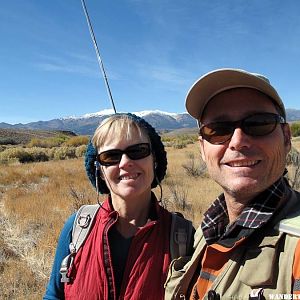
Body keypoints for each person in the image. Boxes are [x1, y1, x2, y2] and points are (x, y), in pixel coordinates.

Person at [165, 69, 300, 299]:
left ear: (286, 138)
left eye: (258, 124)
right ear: (202, 148)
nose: (238, 141)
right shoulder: (204, 233)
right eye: (218, 130)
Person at [44, 113, 193, 300]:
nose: (125, 162)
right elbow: (54, 295)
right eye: (111, 156)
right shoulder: (77, 228)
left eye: (138, 151)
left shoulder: (183, 237)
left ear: (154, 160)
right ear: (99, 169)